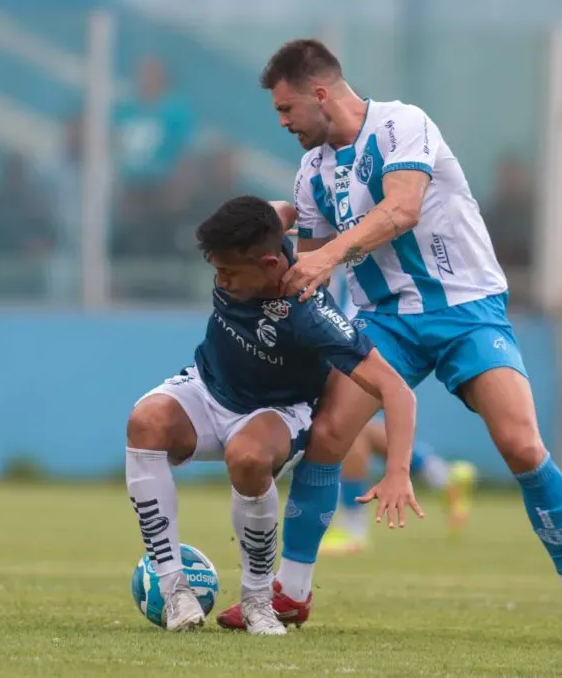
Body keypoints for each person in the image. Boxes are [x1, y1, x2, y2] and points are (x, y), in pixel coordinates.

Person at [216, 39, 562, 646]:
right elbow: (305, 267)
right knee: (330, 435)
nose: (283, 124)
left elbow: (402, 210)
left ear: (320, 93)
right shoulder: (312, 172)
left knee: (520, 443)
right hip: (385, 318)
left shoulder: (402, 125)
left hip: (467, 309)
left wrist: (325, 256)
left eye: (286, 111)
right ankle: (292, 593)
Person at [124, 195, 422, 635]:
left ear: (268, 264)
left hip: (276, 410)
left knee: (246, 458)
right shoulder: (258, 238)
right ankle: (173, 591)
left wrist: (397, 470)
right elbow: (282, 209)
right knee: (143, 422)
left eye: (227, 272)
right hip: (208, 388)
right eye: (215, 270)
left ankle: (257, 600)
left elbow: (396, 389)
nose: (219, 281)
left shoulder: (310, 312)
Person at [321, 270, 478, 555]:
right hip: (368, 325)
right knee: (348, 423)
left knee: (341, 422)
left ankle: (353, 529)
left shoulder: (336, 233)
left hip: (354, 329)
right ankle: (439, 474)